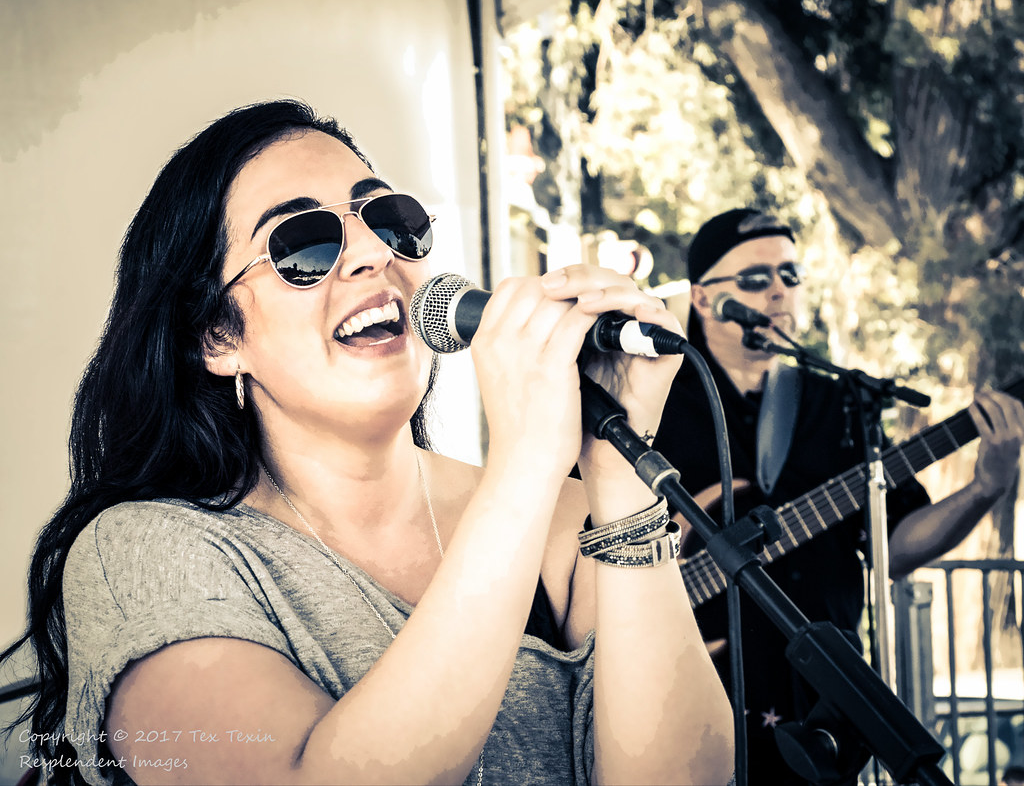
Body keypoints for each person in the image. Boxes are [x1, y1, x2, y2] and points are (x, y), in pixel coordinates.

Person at [1, 100, 733, 786]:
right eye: (303, 243)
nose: (372, 253)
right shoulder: (142, 554)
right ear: (218, 336)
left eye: (389, 218)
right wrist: (524, 461)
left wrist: (618, 469)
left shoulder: (568, 520)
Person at [653, 208, 1024, 785]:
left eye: (791, 275)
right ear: (703, 299)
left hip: (818, 705)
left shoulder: (842, 403)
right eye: (755, 279)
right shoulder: (655, 404)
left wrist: (987, 487)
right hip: (683, 691)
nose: (779, 291)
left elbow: (895, 548)